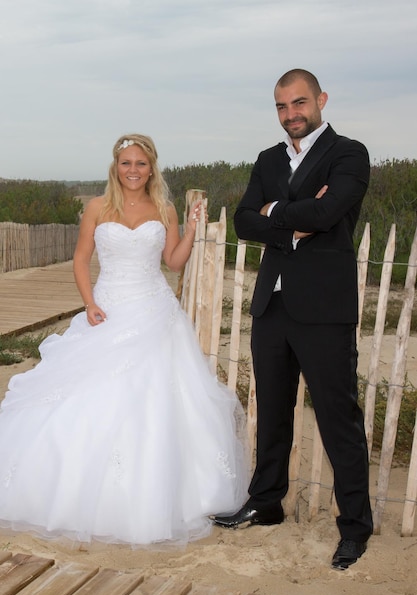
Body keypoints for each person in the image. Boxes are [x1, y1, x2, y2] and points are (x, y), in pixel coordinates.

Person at [0, 133, 249, 547]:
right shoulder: (97, 208)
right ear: (115, 167)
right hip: (108, 310)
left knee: (156, 400)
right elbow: (81, 259)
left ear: (152, 167)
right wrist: (89, 303)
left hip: (155, 312)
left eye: (140, 163)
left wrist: (191, 229)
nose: (133, 170)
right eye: (125, 163)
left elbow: (172, 262)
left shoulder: (165, 208)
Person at [212, 69, 373, 570]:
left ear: (321, 99)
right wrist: (293, 223)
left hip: (324, 308)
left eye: (299, 103)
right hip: (272, 305)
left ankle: (355, 527)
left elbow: (328, 217)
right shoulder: (267, 158)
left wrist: (274, 209)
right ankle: (266, 503)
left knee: (337, 417)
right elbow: (242, 220)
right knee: (273, 412)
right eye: (282, 107)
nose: (291, 115)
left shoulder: (349, 153)